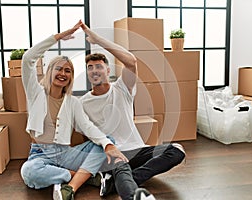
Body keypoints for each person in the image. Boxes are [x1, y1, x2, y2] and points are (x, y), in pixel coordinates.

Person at [20, 20, 128, 200]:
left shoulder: (73, 102)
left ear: (71, 77)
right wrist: (59, 37)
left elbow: (87, 127)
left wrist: (108, 145)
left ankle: (70, 186)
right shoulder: (35, 92)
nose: (63, 73)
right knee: (29, 173)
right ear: (50, 71)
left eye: (68, 71)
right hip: (40, 154)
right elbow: (28, 58)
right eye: (59, 69)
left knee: (106, 140)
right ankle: (82, 177)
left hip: (66, 154)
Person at [78, 23, 186, 200]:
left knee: (177, 150)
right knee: (120, 164)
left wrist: (97, 40)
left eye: (98, 66)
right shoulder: (82, 103)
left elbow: (131, 61)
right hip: (111, 154)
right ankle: (133, 194)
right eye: (90, 68)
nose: (94, 70)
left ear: (108, 70)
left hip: (137, 150)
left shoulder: (122, 88)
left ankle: (120, 181)